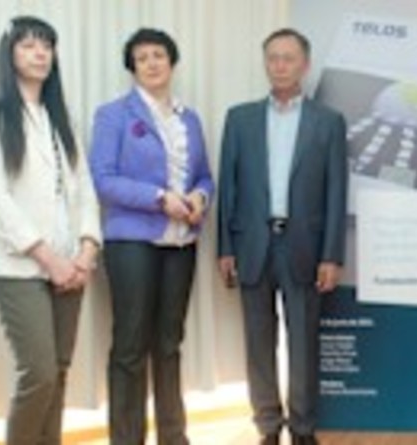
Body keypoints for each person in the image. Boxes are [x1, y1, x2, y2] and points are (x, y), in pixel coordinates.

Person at [0, 16, 101, 445]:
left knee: (58, 371)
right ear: (9, 55)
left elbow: (84, 189)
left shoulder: (60, 117)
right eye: (28, 45)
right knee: (38, 373)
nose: (40, 53)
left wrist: (87, 250)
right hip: (19, 264)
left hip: (71, 262)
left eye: (46, 45)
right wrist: (49, 259)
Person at [217, 28, 347, 445]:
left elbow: (336, 192)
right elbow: (228, 189)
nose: (280, 66)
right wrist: (225, 248)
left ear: (304, 65)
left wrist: (332, 255)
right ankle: (268, 427)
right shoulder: (240, 119)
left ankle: (303, 429)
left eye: (288, 58)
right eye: (272, 58)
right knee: (258, 342)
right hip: (252, 245)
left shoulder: (328, 122)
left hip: (305, 246)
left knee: (304, 342)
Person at [88, 28, 214, 445]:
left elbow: (204, 177)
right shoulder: (113, 115)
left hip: (182, 243)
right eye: (142, 58)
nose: (152, 63)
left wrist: (199, 196)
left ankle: (173, 437)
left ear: (172, 62)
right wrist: (160, 199)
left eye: (159, 55)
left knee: (169, 343)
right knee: (130, 346)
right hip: (131, 243)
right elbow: (103, 180)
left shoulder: (189, 118)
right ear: (133, 68)